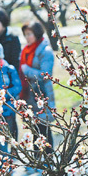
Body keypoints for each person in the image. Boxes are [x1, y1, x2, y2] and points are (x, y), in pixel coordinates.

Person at [19, 21, 55, 155]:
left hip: (42, 94)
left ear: (37, 34)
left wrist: (27, 70)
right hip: (29, 95)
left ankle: (49, 156)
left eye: (29, 34)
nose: (27, 37)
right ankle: (37, 156)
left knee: (44, 127)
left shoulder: (45, 51)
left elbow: (46, 75)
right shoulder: (26, 51)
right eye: (25, 34)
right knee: (34, 127)